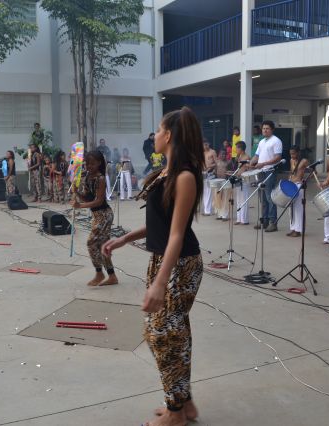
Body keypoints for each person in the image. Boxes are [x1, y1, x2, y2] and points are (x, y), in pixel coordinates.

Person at [102, 106, 204, 426]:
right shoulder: (166, 173)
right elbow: (159, 224)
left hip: (181, 264)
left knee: (160, 334)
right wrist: (124, 238)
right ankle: (184, 405)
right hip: (163, 260)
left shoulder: (185, 177)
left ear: (169, 135)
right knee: (175, 333)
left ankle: (175, 411)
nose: (155, 135)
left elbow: (177, 234)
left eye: (159, 130)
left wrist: (160, 282)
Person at [73, 150, 118, 286]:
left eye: (92, 163)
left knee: (91, 243)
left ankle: (99, 273)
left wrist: (80, 206)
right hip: (97, 215)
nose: (89, 166)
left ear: (99, 163)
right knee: (102, 246)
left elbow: (98, 201)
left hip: (104, 215)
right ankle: (112, 276)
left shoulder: (100, 178)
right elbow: (87, 198)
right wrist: (77, 192)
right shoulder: (87, 177)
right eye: (87, 163)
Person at [250, 121, 283, 232]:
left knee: (270, 197)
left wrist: (263, 164)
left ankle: (273, 223)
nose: (265, 130)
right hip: (261, 171)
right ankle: (264, 221)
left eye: (267, 128)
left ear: (272, 129)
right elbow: (256, 156)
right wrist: (250, 164)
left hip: (270, 171)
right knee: (263, 198)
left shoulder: (276, 141)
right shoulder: (262, 141)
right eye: (263, 128)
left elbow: (278, 157)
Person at [286, 146, 309, 237]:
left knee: (298, 209)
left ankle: (298, 230)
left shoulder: (304, 161)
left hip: (299, 185)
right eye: (290, 154)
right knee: (291, 208)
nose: (292, 155)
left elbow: (313, 172)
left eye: (294, 153)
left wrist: (305, 179)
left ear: (298, 153)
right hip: (291, 184)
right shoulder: (291, 160)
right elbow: (291, 171)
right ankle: (293, 228)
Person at [229, 141, 250, 225]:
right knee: (238, 199)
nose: (236, 150)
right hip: (238, 179)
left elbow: (248, 168)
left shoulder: (247, 157)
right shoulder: (239, 156)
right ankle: (239, 218)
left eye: (237, 148)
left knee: (244, 200)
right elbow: (237, 168)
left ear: (241, 148)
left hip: (244, 180)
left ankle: (244, 220)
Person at [201, 141, 217, 216]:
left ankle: (208, 211)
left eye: (206, 144)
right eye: (204, 145)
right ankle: (206, 210)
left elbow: (216, 163)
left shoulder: (212, 152)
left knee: (209, 192)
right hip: (203, 173)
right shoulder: (202, 153)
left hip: (210, 172)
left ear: (208, 144)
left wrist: (209, 167)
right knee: (204, 192)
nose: (205, 146)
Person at [214, 150, 229, 221]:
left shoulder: (228, 163)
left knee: (225, 199)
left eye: (224, 154)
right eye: (221, 154)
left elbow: (230, 172)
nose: (223, 156)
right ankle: (219, 214)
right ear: (219, 155)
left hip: (225, 182)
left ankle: (224, 215)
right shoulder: (217, 162)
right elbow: (215, 171)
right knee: (218, 198)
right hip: (218, 182)